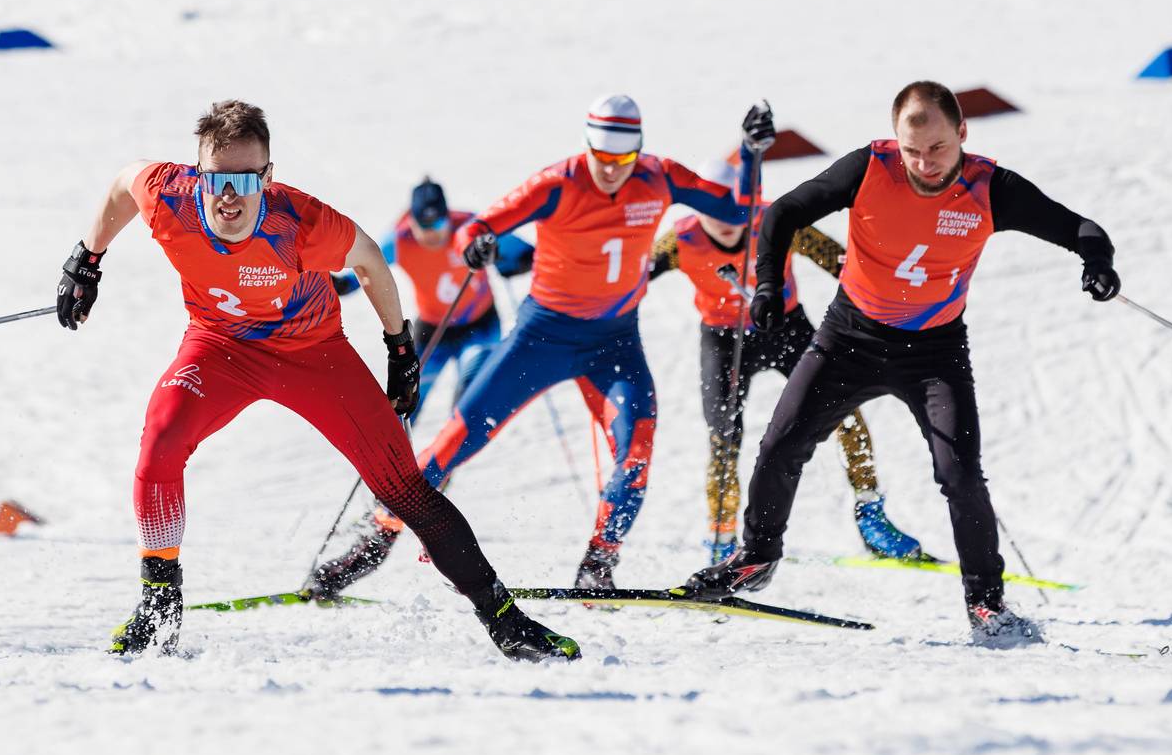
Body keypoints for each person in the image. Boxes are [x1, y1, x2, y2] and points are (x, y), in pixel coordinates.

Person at [55, 99, 578, 662]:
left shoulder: (299, 222)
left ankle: (505, 618)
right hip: (219, 347)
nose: (228, 195)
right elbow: (122, 182)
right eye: (216, 179)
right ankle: (159, 603)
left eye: (245, 180)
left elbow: (372, 262)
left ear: (268, 176)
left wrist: (400, 348)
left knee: (403, 488)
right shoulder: (169, 196)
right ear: (197, 173)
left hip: (313, 355)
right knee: (159, 445)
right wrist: (87, 260)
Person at [682, 82, 1119, 645]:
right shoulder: (869, 168)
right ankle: (756, 558)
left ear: (961, 133)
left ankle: (986, 602)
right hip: (848, 338)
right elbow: (783, 213)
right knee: (781, 445)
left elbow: (1080, 228)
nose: (924, 163)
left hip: (934, 353)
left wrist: (1096, 262)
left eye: (936, 148)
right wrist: (767, 284)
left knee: (959, 474)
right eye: (912, 150)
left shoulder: (992, 187)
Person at [305, 94, 765, 598]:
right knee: (456, 440)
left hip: (614, 342)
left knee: (635, 451)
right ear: (587, 146)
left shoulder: (660, 176)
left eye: (623, 160)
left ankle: (599, 561)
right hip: (541, 337)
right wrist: (478, 243)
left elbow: (734, 209)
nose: (611, 171)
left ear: (639, 151)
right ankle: (373, 541)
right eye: (601, 159)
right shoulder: (559, 182)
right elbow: (480, 227)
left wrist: (748, 152)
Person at [647, 151, 929, 565]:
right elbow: (628, 279)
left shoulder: (773, 222)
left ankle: (872, 517)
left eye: (733, 206)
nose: (724, 218)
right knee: (723, 435)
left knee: (845, 412)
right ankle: (722, 541)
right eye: (712, 207)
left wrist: (897, 304)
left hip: (784, 327)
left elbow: (841, 261)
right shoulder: (681, 240)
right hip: (724, 341)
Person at [307, 177, 534, 592]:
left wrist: (500, 256)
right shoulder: (402, 237)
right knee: (403, 407)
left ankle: (433, 483)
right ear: (414, 221)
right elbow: (365, 267)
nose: (433, 236)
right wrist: (338, 285)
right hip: (434, 330)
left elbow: (524, 256)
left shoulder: (468, 226)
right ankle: (389, 482)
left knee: (465, 410)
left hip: (479, 327)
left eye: (439, 226)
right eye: (425, 227)